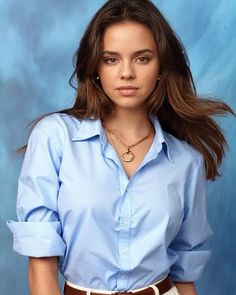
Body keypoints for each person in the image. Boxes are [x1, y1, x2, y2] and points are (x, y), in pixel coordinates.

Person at [7, 1, 234, 295]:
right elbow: (41, 264)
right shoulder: (54, 137)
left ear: (161, 66)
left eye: (142, 58)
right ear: (95, 67)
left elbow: (185, 276)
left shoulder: (187, 161)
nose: (127, 73)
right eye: (111, 59)